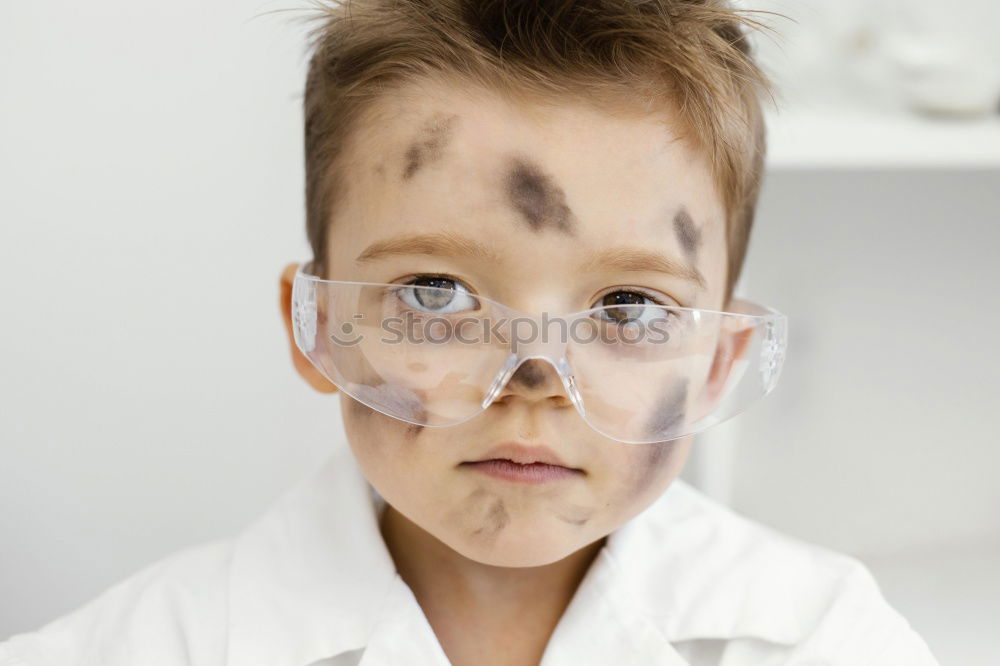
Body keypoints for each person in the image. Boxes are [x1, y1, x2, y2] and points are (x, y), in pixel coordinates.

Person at [0, 1, 939, 664]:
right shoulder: (134, 650)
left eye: (629, 307)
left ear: (720, 363)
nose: (535, 381)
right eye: (439, 294)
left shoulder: (823, 638)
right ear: (318, 327)